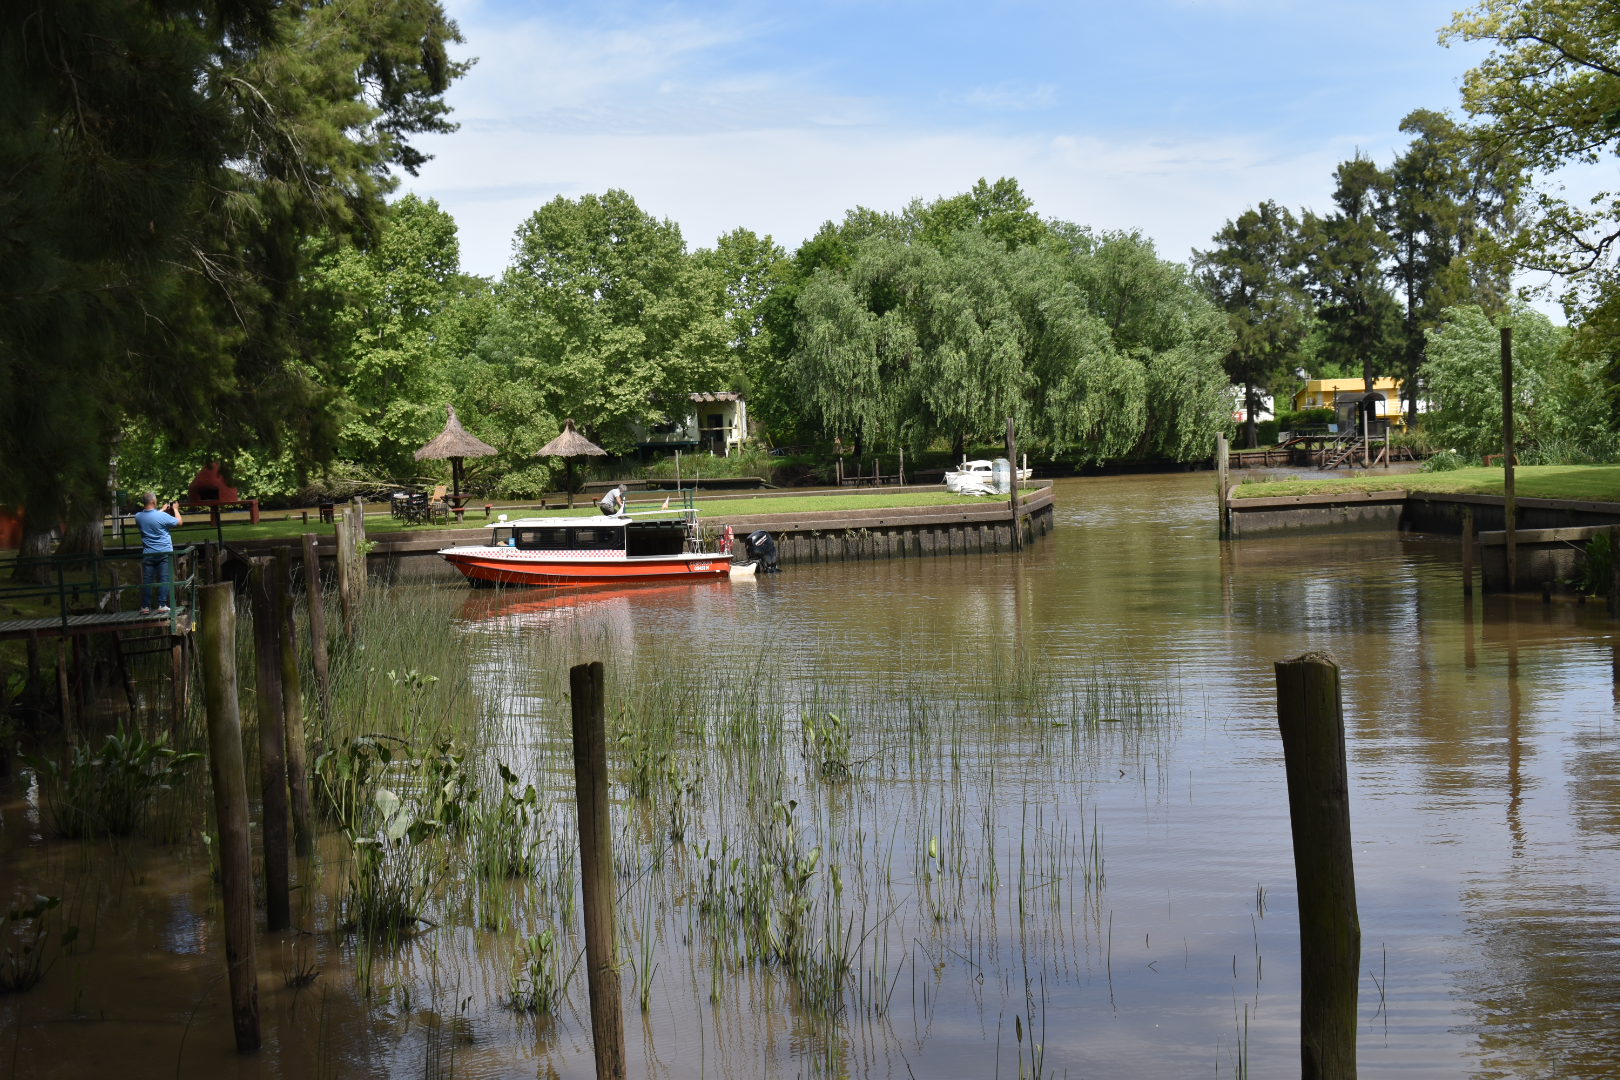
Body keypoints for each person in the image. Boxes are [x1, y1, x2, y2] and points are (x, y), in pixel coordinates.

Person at [135, 491, 184, 613]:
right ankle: (162, 605)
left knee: (147, 580)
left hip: (148, 553)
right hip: (164, 553)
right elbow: (179, 522)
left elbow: (151, 517)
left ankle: (145, 607)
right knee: (164, 579)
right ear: (153, 501)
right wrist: (175, 509)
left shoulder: (138, 517)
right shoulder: (162, 517)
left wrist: (162, 510)